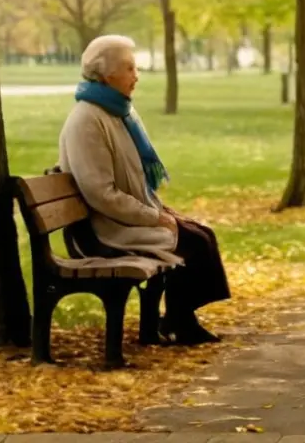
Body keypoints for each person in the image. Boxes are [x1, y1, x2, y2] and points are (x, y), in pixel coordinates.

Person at [59, 34, 230, 345]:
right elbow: (101, 194)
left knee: (202, 233)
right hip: (103, 230)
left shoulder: (118, 112)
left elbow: (135, 181)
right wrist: (153, 218)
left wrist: (160, 210)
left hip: (123, 218)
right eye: (129, 69)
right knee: (191, 241)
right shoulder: (87, 120)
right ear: (107, 75)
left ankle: (180, 317)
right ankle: (180, 320)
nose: (136, 76)